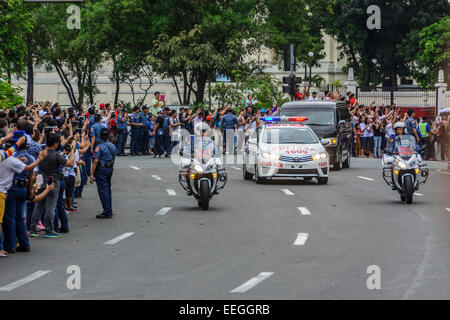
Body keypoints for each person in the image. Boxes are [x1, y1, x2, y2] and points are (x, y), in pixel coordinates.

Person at [29, 133, 75, 238]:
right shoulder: (56, 155)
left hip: (41, 180)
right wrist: (71, 152)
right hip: (53, 181)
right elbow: (70, 163)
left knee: (39, 206)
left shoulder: (42, 153)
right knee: (51, 207)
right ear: (55, 143)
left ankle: (33, 229)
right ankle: (49, 230)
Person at [90, 128, 116, 219]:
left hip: (101, 169)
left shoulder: (99, 147)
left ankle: (107, 211)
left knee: (103, 191)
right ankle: (109, 209)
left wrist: (92, 174)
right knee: (107, 189)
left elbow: (95, 161)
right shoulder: (112, 146)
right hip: (109, 168)